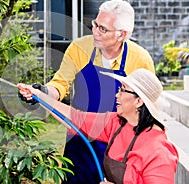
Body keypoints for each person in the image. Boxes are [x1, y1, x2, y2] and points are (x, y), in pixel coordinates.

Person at [19, 0, 155, 183]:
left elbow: (147, 108)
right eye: (95, 24)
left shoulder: (140, 59)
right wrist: (41, 92)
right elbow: (60, 84)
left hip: (120, 143)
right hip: (80, 137)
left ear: (121, 34)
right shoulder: (80, 48)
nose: (95, 32)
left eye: (103, 29)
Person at [17, 68, 179, 184]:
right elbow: (76, 118)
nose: (117, 95)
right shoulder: (116, 123)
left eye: (123, 90)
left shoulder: (159, 151)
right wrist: (39, 96)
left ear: (139, 101)